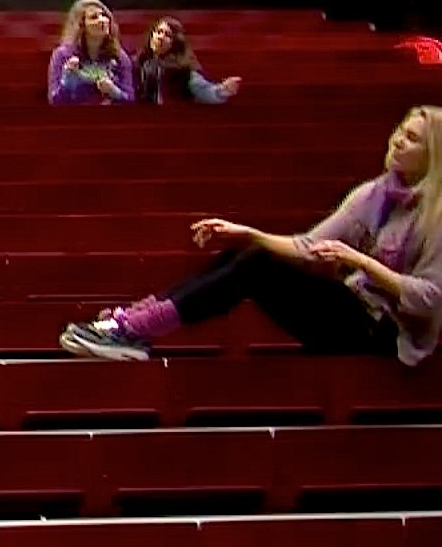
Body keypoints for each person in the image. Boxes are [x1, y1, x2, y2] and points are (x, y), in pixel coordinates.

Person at [59, 108, 442, 365]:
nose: (396, 141)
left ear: (434, 154)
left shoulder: (437, 214)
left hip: (386, 336)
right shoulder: (373, 193)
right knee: (245, 255)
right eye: (399, 132)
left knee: (258, 263)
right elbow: (307, 248)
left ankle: (138, 329)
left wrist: (360, 261)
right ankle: (138, 321)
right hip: (353, 312)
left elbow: (428, 300)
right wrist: (246, 232)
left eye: (411, 139)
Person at [136, 16, 243, 106]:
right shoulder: (138, 63)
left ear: (176, 42)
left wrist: (223, 90)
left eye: (167, 35)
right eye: (158, 32)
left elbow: (204, 91)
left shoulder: (183, 71)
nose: (160, 37)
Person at [48, 0, 135, 105]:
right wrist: (67, 82)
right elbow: (54, 101)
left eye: (104, 15)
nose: (102, 20)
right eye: (94, 17)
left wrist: (114, 92)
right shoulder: (62, 55)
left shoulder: (119, 56)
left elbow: (130, 100)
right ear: (81, 26)